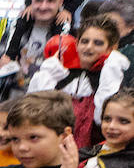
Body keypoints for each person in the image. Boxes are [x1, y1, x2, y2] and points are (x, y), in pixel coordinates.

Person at [27, 16, 126, 147]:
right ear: (77, 44)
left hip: (90, 152)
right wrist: (47, 74)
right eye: (85, 41)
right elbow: (34, 111)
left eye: (98, 43)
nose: (89, 47)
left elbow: (102, 120)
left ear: (111, 48)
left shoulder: (111, 80)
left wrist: (111, 73)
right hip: (51, 148)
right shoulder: (60, 74)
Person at [0, 0, 67, 85]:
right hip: (12, 95)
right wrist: (0, 65)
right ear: (31, 1)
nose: (43, 6)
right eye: (38, 0)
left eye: (50, 1)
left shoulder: (66, 35)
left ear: (61, 2)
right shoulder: (17, 27)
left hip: (44, 97)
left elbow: (65, 75)